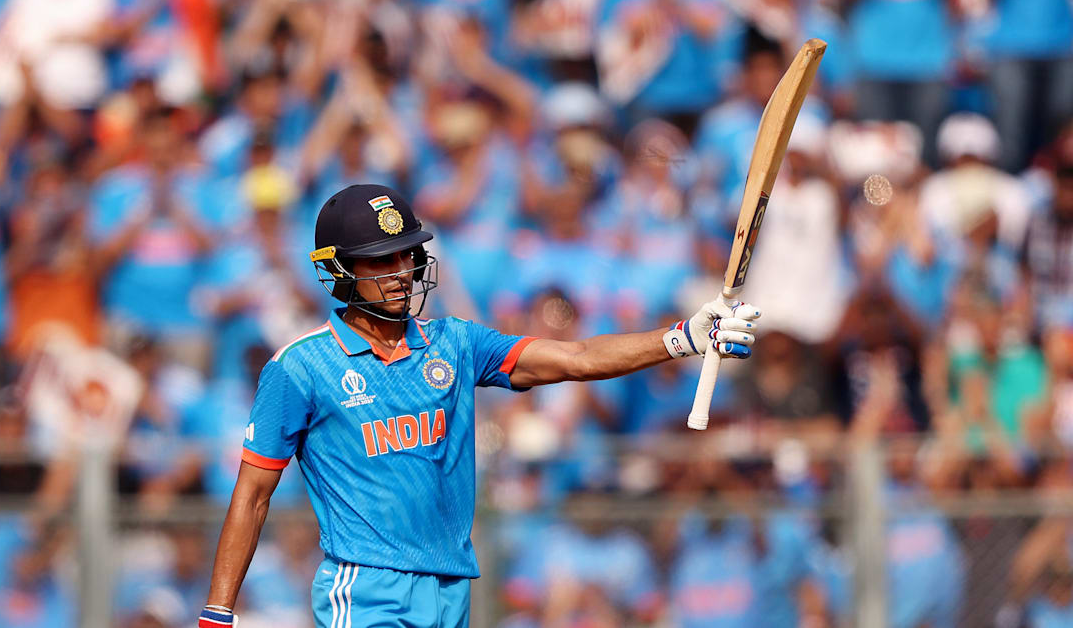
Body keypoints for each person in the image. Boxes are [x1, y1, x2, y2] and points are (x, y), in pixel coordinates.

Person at [198, 184, 762, 628]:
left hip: (450, 590)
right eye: (379, 261)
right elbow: (252, 496)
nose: (400, 273)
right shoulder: (299, 368)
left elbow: (576, 357)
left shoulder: (456, 343)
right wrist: (217, 615)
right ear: (339, 270)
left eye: (406, 255)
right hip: (366, 590)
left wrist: (682, 337)